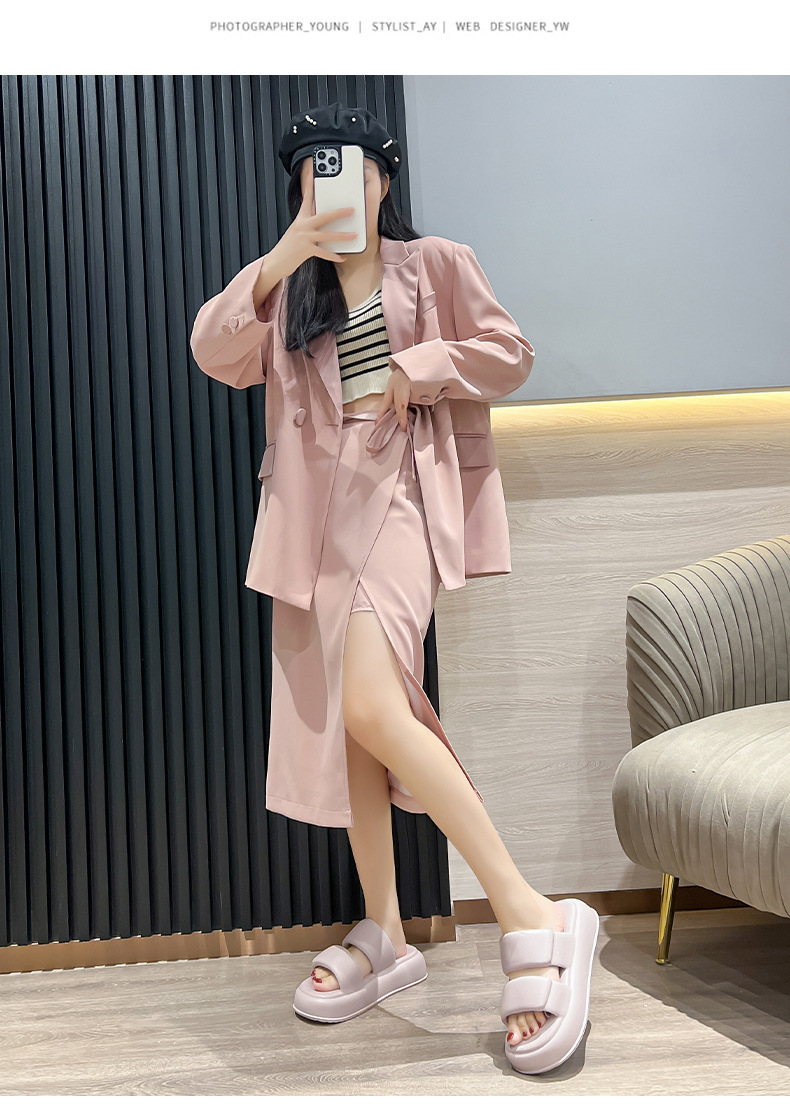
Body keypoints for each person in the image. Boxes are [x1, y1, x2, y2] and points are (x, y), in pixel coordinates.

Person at [190, 102, 599, 1075]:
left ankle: (532, 911)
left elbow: (508, 355)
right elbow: (214, 350)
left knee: (373, 706)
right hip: (313, 524)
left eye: (348, 169)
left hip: (404, 500)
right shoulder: (292, 292)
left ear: (383, 178)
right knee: (353, 725)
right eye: (311, 173)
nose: (331, 186)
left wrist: (420, 366)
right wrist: (285, 254)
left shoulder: (437, 263)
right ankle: (384, 927)